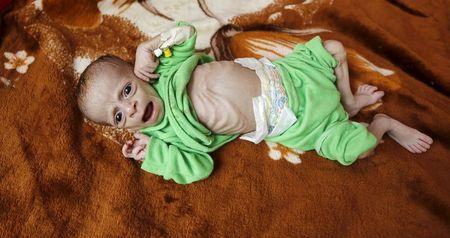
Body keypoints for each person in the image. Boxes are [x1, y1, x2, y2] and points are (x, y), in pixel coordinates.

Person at [76, 22, 433, 184]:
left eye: (126, 91)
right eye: (119, 115)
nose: (132, 108)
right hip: (295, 119)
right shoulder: (168, 136)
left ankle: (350, 102)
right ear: (122, 128)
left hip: (286, 75)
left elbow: (184, 34)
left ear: (137, 73)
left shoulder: (162, 69)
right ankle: (382, 125)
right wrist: (153, 153)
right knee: (357, 148)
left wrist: (150, 47)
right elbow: (196, 169)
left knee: (331, 49)